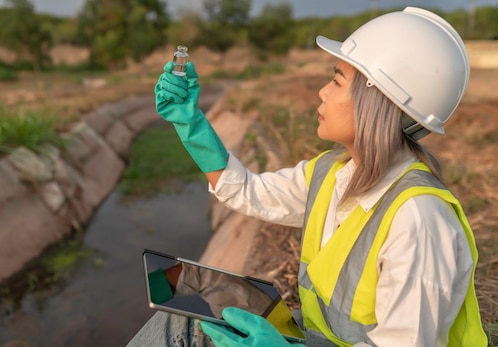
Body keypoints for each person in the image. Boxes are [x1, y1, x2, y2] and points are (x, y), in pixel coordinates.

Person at [128, 7, 488, 347]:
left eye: (336, 80)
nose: (322, 91)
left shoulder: (420, 221)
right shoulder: (333, 174)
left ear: (377, 101)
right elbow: (249, 192)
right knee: (184, 319)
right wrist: (190, 123)